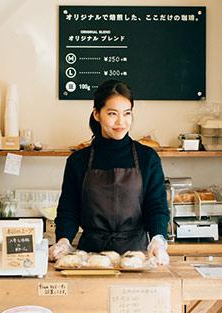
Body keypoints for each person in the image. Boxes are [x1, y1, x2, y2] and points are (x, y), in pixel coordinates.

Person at [49, 80, 170, 266]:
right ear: (97, 114)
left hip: (136, 258)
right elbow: (68, 210)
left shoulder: (148, 158)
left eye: (127, 113)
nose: (121, 122)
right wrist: (64, 241)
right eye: (112, 114)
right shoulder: (78, 161)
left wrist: (158, 240)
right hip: (89, 258)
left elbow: (156, 207)